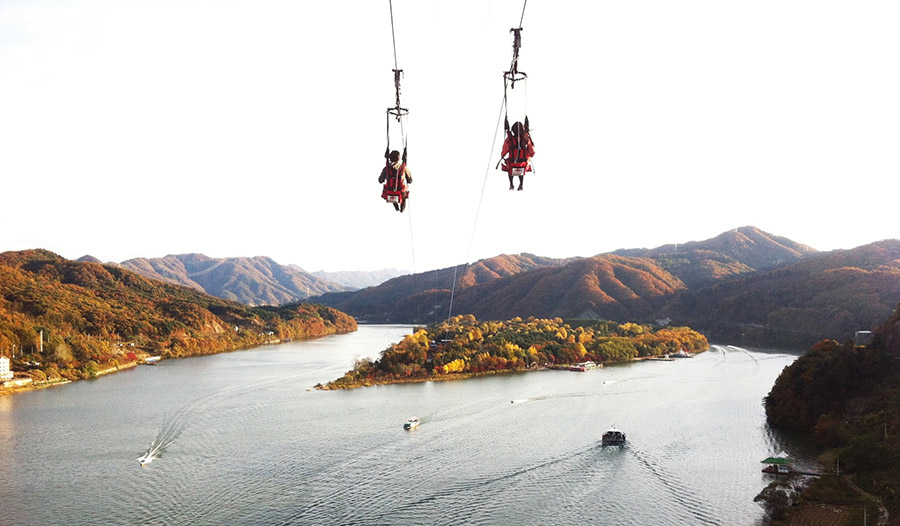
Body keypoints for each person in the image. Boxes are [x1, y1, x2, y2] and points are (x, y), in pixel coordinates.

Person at [501, 121, 535, 191]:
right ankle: (521, 184)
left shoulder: (509, 140)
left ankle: (511, 184)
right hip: (523, 164)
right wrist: (529, 156)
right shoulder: (526, 139)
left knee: (509, 167)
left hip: (512, 164)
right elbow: (532, 152)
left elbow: (504, 152)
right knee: (522, 166)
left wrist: (503, 156)